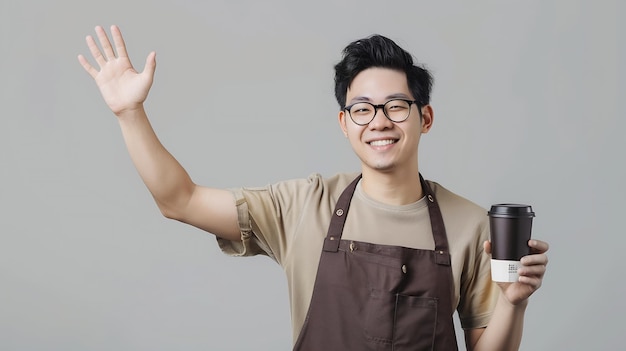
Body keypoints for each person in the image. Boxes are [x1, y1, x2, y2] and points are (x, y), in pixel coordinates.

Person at [78, 25, 549, 350]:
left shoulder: (469, 225)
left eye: (396, 106)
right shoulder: (304, 205)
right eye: (363, 109)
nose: (379, 121)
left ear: (424, 117)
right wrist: (129, 113)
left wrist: (514, 304)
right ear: (345, 124)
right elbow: (179, 200)